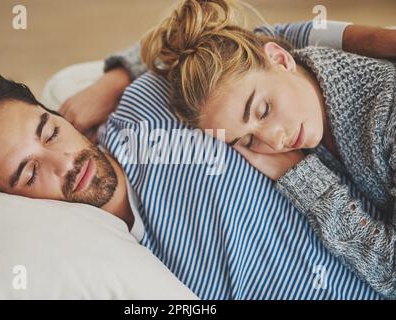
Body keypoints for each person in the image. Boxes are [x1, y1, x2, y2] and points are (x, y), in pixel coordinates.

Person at [0, 18, 392, 300]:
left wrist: (118, 73)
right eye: (28, 173)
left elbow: (231, 48)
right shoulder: (96, 266)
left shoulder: (144, 105)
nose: (64, 161)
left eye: (49, 131)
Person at [138, 0, 396, 297]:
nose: (274, 142)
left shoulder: (386, 112)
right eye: (247, 141)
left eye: (262, 110)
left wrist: (306, 181)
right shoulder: (301, 100)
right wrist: (117, 73)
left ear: (281, 58)